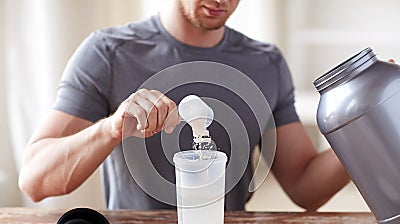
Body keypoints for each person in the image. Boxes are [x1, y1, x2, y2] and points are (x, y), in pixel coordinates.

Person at [18, 0, 350, 210]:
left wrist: (366, 126)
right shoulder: (108, 53)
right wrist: (111, 128)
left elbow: (305, 187)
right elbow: (35, 181)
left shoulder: (266, 63)